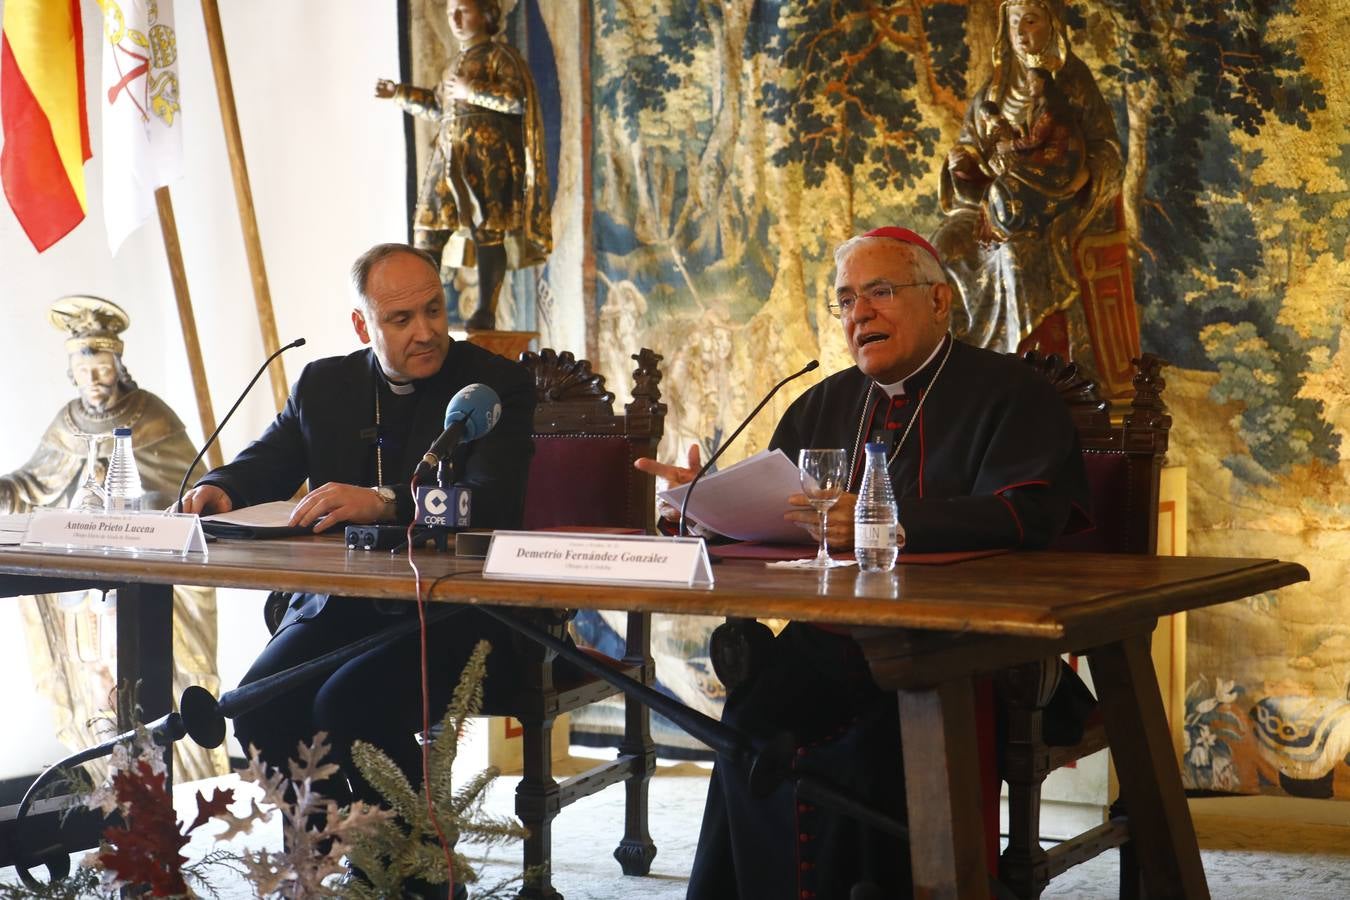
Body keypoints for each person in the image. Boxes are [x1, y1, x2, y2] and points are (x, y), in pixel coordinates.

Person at [637, 227, 1092, 898]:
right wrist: (700, 511)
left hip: (963, 650)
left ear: (940, 301)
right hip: (832, 640)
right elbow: (780, 525)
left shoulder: (1011, 392)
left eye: (880, 292)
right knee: (752, 719)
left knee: (871, 745)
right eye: (846, 299)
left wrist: (886, 522)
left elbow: (1026, 514)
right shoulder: (821, 402)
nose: (859, 314)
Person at [179, 243, 535, 895]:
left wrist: (386, 502)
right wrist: (221, 489)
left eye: (434, 309)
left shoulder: (492, 386)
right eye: (401, 319)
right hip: (341, 605)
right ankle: (323, 859)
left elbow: (494, 499)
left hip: (454, 611)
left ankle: (414, 876)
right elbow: (268, 461)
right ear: (361, 324)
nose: (426, 331)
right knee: (258, 703)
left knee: (349, 702)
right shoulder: (326, 385)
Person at [0, 296, 225, 782]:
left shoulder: (151, 418)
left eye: (103, 369)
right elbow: (31, 484)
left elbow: (193, 492)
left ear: (119, 367)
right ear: (72, 375)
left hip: (148, 578)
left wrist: (130, 505)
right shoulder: (67, 424)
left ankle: (179, 788)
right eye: (85, 372)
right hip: (86, 591)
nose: (95, 380)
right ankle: (110, 789)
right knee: (96, 686)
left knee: (159, 685)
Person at [933, 0, 1128, 387]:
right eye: (1014, 24)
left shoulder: (1072, 83)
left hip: (1052, 211)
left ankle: (1020, 375)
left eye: (1031, 22)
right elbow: (973, 144)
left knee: (1015, 254)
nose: (1021, 33)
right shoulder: (994, 88)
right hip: (994, 203)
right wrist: (962, 160)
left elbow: (1106, 149)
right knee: (945, 244)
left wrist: (1074, 177)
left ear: (1052, 26)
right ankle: (963, 375)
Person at [375, 0, 551, 331]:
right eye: (450, 12)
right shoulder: (454, 63)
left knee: (487, 229)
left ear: (485, 15)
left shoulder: (500, 57)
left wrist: (475, 91)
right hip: (448, 158)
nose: (455, 19)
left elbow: (517, 100)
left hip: (487, 159)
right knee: (429, 230)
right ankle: (420, 307)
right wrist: (399, 93)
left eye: (464, 11)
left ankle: (485, 309)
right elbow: (439, 107)